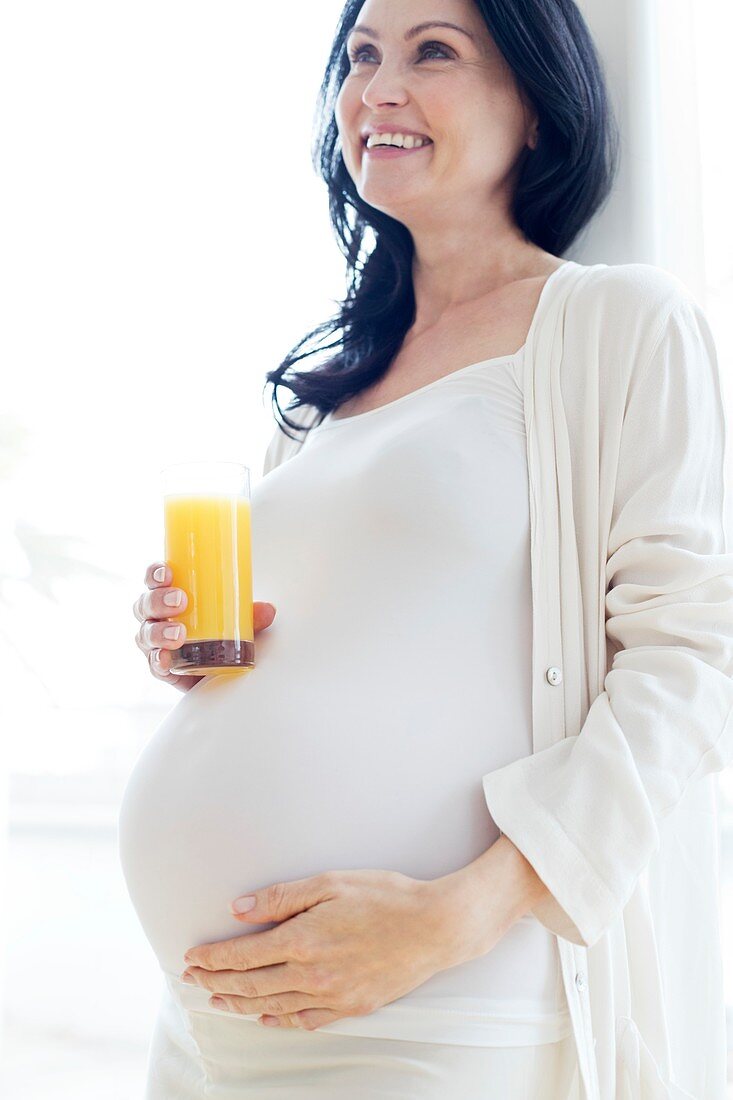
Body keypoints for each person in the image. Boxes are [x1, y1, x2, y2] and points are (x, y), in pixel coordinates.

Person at [125, 0, 733, 1097]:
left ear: (538, 108)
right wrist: (188, 644)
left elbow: (696, 659)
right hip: (213, 1014)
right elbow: (335, 643)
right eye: (360, 56)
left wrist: (461, 914)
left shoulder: (614, 325)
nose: (377, 90)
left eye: (432, 52)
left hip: (432, 997)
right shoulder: (321, 395)